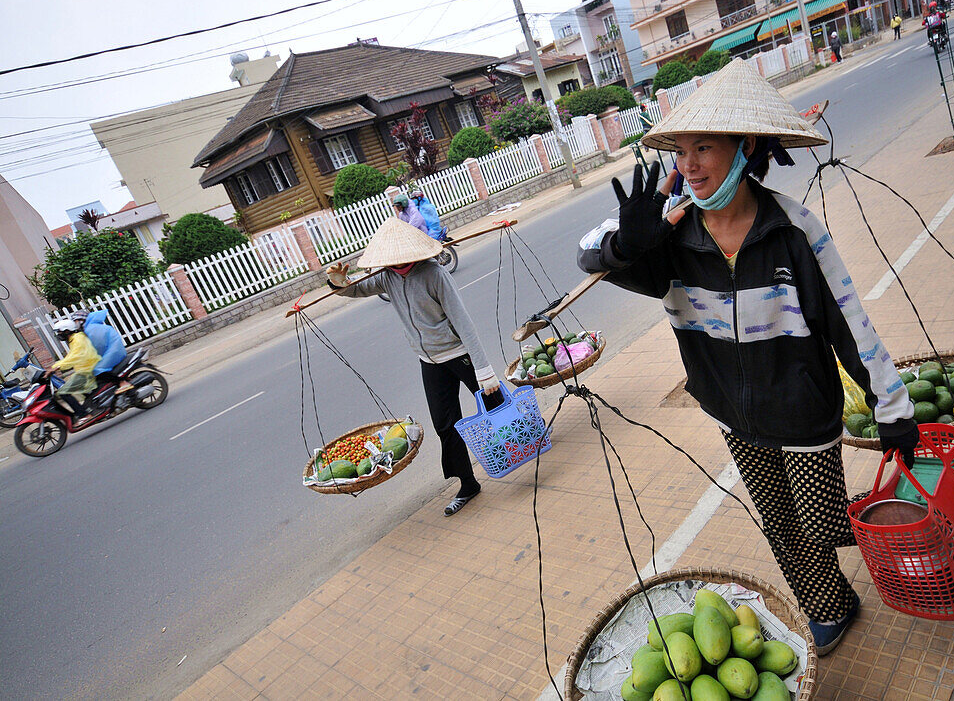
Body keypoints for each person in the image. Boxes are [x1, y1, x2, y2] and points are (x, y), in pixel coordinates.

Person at [577, 60, 918, 655]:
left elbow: (848, 318)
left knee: (818, 521)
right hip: (733, 412)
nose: (689, 165)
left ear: (746, 147)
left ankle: (855, 555)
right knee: (783, 527)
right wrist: (626, 244)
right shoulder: (669, 237)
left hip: (803, 407)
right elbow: (589, 254)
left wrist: (893, 406)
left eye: (704, 147)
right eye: (681, 151)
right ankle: (829, 606)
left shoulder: (793, 229)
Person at [326, 218, 501, 516]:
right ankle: (468, 483)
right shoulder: (386, 277)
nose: (396, 262)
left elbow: (464, 322)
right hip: (429, 361)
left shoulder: (434, 274)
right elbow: (355, 290)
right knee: (445, 426)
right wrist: (339, 282)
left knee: (495, 404)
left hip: (459, 353)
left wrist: (485, 371)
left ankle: (524, 443)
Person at [46, 318, 101, 426]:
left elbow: (74, 357)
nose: (58, 335)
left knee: (64, 392)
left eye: (60, 332)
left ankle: (84, 415)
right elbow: (70, 357)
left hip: (87, 371)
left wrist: (56, 367)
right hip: (84, 370)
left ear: (67, 331)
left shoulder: (78, 340)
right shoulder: (75, 339)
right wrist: (55, 366)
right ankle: (93, 408)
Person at [73, 310, 129, 389]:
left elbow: (97, 346)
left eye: (76, 321)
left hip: (114, 351)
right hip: (111, 350)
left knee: (98, 370)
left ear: (81, 320)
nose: (75, 323)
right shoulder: (90, 328)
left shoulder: (91, 329)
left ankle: (121, 382)